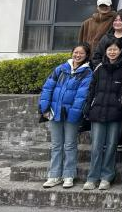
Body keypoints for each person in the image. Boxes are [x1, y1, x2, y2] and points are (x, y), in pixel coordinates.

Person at [40, 43, 93, 189]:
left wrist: (74, 114)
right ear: (72, 53)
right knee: (56, 145)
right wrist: (45, 107)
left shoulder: (87, 73)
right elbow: (48, 87)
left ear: (86, 56)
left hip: (72, 115)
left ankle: (68, 175)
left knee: (70, 145)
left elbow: (82, 96)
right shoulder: (61, 69)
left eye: (81, 53)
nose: (78, 55)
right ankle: (54, 175)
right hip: (54, 112)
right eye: (76, 52)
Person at [83, 39, 122, 190]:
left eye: (115, 49)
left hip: (116, 114)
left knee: (111, 146)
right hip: (98, 112)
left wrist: (121, 105)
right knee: (96, 146)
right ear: (105, 51)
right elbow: (92, 89)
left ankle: (106, 177)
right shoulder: (99, 67)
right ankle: (92, 177)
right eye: (110, 49)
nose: (112, 52)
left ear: (120, 51)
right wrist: (88, 107)